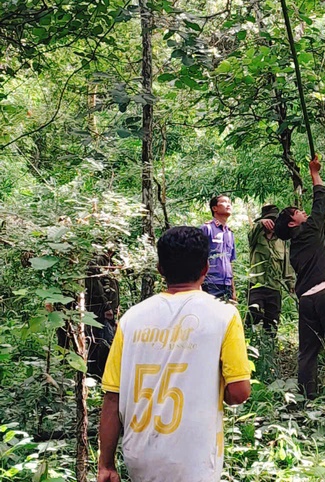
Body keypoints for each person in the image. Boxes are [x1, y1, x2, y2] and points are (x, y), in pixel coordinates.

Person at [97, 226, 251, 482]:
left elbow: (112, 397)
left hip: (140, 457)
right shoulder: (224, 316)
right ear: (205, 269)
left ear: (160, 269)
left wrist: (106, 464)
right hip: (194, 458)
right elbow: (239, 393)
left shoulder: (131, 318)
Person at [274, 156, 325, 398]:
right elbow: (321, 202)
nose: (303, 212)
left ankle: (306, 398)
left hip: (307, 300)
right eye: (298, 212)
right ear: (291, 224)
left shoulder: (295, 248)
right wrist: (315, 174)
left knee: (307, 352)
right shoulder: (309, 230)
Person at [247, 205, 295, 335]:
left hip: (274, 287)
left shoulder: (282, 241)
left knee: (272, 321)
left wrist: (291, 284)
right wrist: (260, 223)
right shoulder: (256, 238)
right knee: (253, 316)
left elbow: (286, 265)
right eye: (269, 220)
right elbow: (251, 234)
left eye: (274, 220)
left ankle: (269, 348)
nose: (271, 223)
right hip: (257, 285)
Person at [86, 250, 120, 377]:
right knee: (100, 341)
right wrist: (106, 306)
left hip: (108, 310)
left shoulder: (109, 261)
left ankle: (101, 373)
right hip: (100, 311)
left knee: (106, 341)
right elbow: (94, 285)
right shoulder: (98, 260)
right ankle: (95, 374)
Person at [200, 194, 236, 301]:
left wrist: (233, 290)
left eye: (229, 202)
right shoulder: (207, 229)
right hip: (210, 284)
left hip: (227, 285)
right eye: (224, 202)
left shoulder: (230, 233)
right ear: (214, 208)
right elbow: (198, 257)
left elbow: (230, 262)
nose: (228, 205)